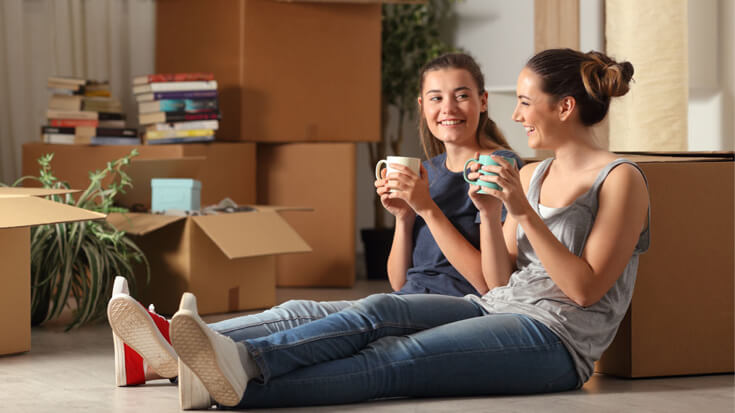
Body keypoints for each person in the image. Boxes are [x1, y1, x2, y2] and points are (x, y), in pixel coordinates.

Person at [164, 48, 650, 409]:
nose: (518, 114)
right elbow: (498, 283)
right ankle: (238, 358)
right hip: (492, 307)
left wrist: (520, 213)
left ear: (564, 107)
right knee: (377, 308)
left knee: (397, 360)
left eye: (526, 103)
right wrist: (486, 211)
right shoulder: (533, 174)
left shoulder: (621, 180)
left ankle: (231, 385)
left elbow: (585, 290)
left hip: (557, 341)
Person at [107, 53, 523, 407]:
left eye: (462, 95)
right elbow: (401, 280)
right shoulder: (427, 171)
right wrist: (404, 217)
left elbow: (491, 286)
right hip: (411, 300)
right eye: (436, 97)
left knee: (367, 313)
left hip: (462, 309)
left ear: (483, 102)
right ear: (422, 105)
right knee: (299, 310)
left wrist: (427, 209)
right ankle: (158, 347)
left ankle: (233, 358)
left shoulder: (499, 167)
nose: (448, 107)